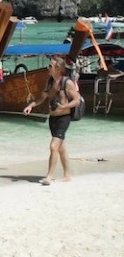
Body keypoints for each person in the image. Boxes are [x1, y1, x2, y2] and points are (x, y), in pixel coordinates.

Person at [22, 56, 82, 185]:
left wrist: (64, 106)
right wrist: (31, 105)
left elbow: (77, 100)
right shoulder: (50, 81)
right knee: (61, 148)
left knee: (53, 146)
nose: (48, 68)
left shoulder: (67, 83)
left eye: (50, 66)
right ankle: (67, 175)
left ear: (58, 68)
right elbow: (43, 96)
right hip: (53, 118)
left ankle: (49, 177)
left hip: (63, 118)